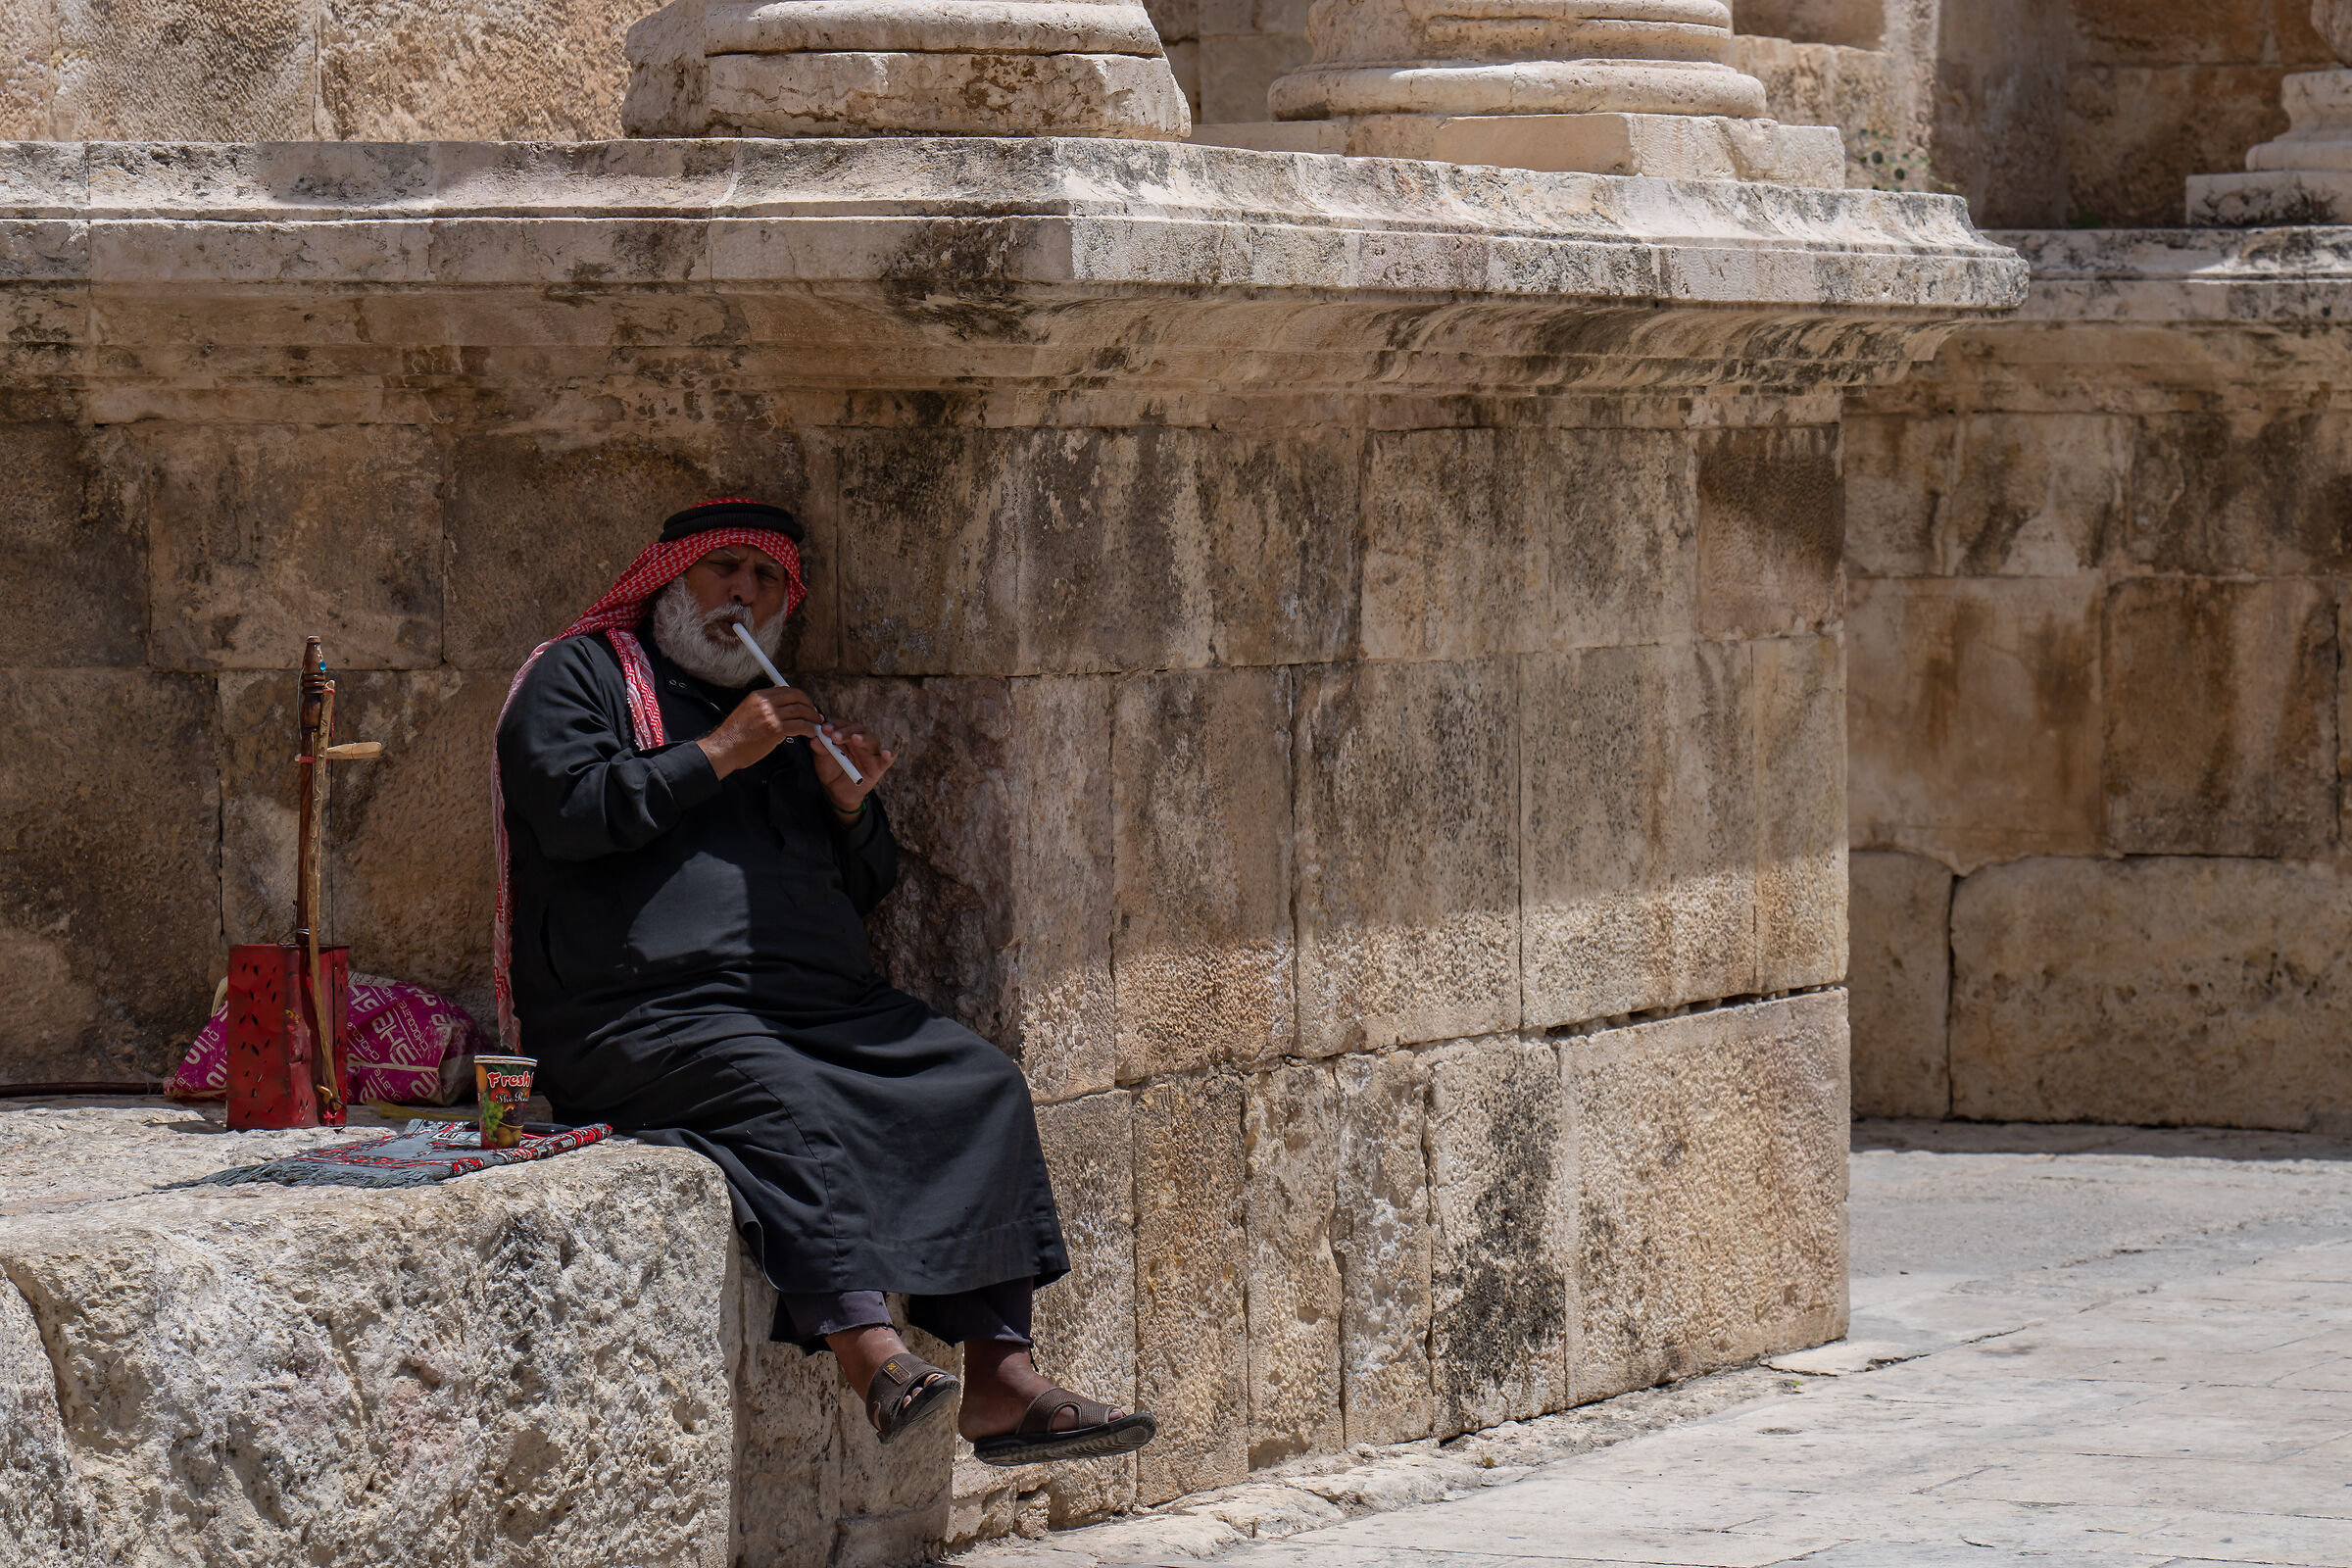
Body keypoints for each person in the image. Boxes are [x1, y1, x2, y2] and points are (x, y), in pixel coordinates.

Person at [493, 498, 1153, 1463]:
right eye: (723, 570)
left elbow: (859, 886)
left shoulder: (777, 710)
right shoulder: (584, 676)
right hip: (640, 1012)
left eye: (765, 581)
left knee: (976, 1083)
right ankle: (866, 1348)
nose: (743, 595)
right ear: (670, 581)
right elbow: (566, 811)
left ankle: (999, 1376)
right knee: (779, 1093)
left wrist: (849, 810)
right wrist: (722, 753)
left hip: (809, 1003)